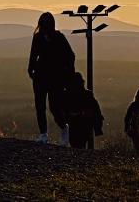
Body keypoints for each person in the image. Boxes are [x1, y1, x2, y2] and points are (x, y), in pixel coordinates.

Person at [28, 12, 75, 145]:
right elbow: (33, 54)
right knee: (40, 106)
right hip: (41, 76)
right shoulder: (38, 38)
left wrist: (68, 74)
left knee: (54, 107)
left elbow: (70, 56)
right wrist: (31, 69)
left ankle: (64, 127)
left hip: (55, 77)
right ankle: (43, 135)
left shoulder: (59, 37)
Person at [65, 72, 103, 149]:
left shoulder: (69, 95)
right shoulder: (87, 94)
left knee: (76, 144)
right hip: (83, 124)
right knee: (79, 145)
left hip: (78, 123)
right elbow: (97, 111)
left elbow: (96, 111)